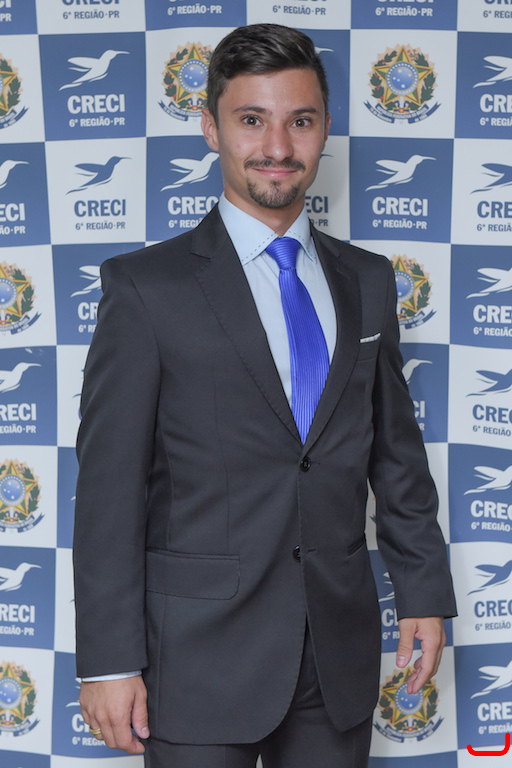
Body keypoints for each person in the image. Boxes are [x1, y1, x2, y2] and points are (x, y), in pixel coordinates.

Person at [73, 23, 456, 768]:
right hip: (195, 661)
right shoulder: (146, 289)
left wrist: (422, 592)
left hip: (336, 656)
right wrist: (109, 661)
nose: (277, 145)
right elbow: (109, 490)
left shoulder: (369, 281)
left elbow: (396, 455)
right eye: (252, 119)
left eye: (299, 121)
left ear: (325, 128)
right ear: (211, 128)